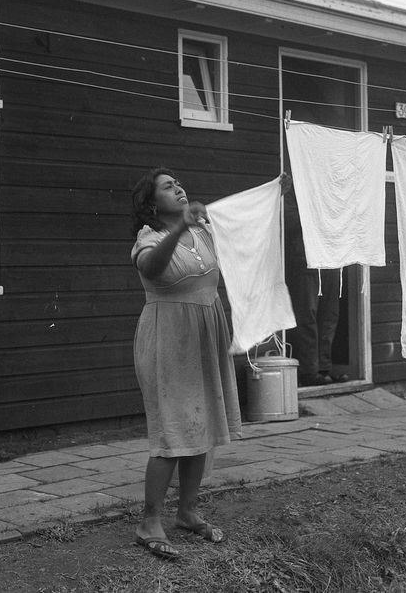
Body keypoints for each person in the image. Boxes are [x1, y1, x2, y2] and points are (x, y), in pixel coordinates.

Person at [128, 167, 241, 560]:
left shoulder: (205, 231)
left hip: (206, 336)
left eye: (178, 183)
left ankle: (188, 511)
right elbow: (152, 269)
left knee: (202, 421)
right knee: (172, 429)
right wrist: (178, 229)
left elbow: (245, 230)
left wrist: (274, 194)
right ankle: (149, 521)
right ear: (151, 203)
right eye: (167, 186)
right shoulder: (151, 238)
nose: (178, 188)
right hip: (168, 340)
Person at [281, 172, 349, 386]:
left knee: (330, 315)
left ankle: (324, 368)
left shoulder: (332, 190)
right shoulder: (295, 189)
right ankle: (309, 371)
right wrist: (314, 212)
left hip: (331, 258)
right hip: (306, 259)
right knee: (307, 315)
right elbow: (288, 221)